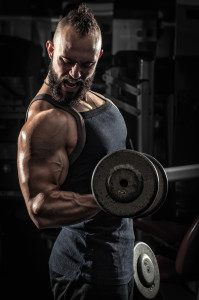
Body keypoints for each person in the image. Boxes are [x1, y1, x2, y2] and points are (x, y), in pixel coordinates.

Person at [17, 3, 134, 300]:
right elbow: (39, 209)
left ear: (99, 58)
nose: (74, 74)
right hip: (87, 272)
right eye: (66, 61)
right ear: (50, 50)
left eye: (86, 65)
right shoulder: (47, 120)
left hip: (119, 259)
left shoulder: (91, 98)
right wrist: (110, 200)